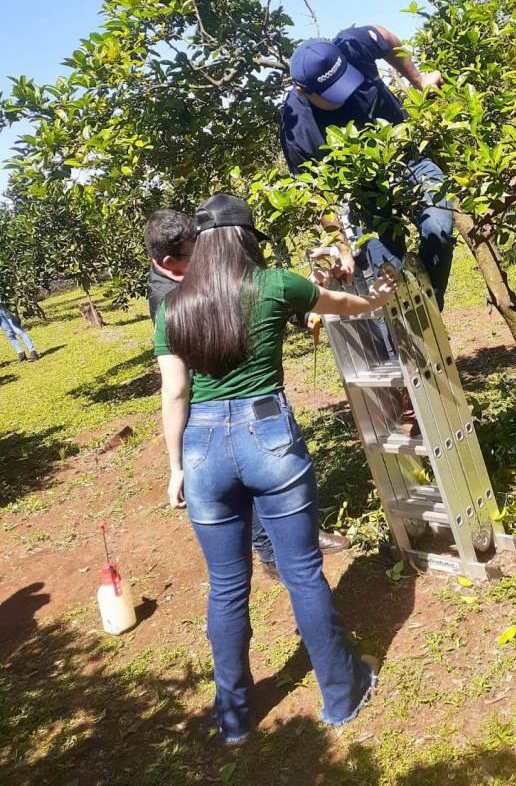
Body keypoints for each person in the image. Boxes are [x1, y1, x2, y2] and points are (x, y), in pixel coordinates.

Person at [154, 194, 396, 741]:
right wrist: (375, 300)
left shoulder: (173, 305)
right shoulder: (274, 284)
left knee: (225, 586)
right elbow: (339, 303)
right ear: (245, 238)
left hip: (202, 448)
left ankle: (235, 718)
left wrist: (175, 468)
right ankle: (341, 693)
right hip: (268, 437)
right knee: (302, 571)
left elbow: (175, 392)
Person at [144, 209, 351, 580]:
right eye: (196, 253)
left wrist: (300, 314)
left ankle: (292, 540)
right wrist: (176, 465)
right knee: (242, 478)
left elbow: (249, 291)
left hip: (234, 400)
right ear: (169, 263)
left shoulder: (197, 273)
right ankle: (272, 551)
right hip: (208, 403)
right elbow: (176, 385)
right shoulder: (168, 298)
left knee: (253, 476)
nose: (207, 258)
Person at [279, 24, 454, 309]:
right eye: (332, 92)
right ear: (303, 90)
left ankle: (431, 305)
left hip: (408, 158)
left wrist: (419, 79)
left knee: (439, 227)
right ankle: (409, 330)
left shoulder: (352, 45)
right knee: (388, 274)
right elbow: (316, 195)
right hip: (366, 194)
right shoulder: (296, 127)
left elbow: (385, 38)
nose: (345, 94)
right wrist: (341, 246)